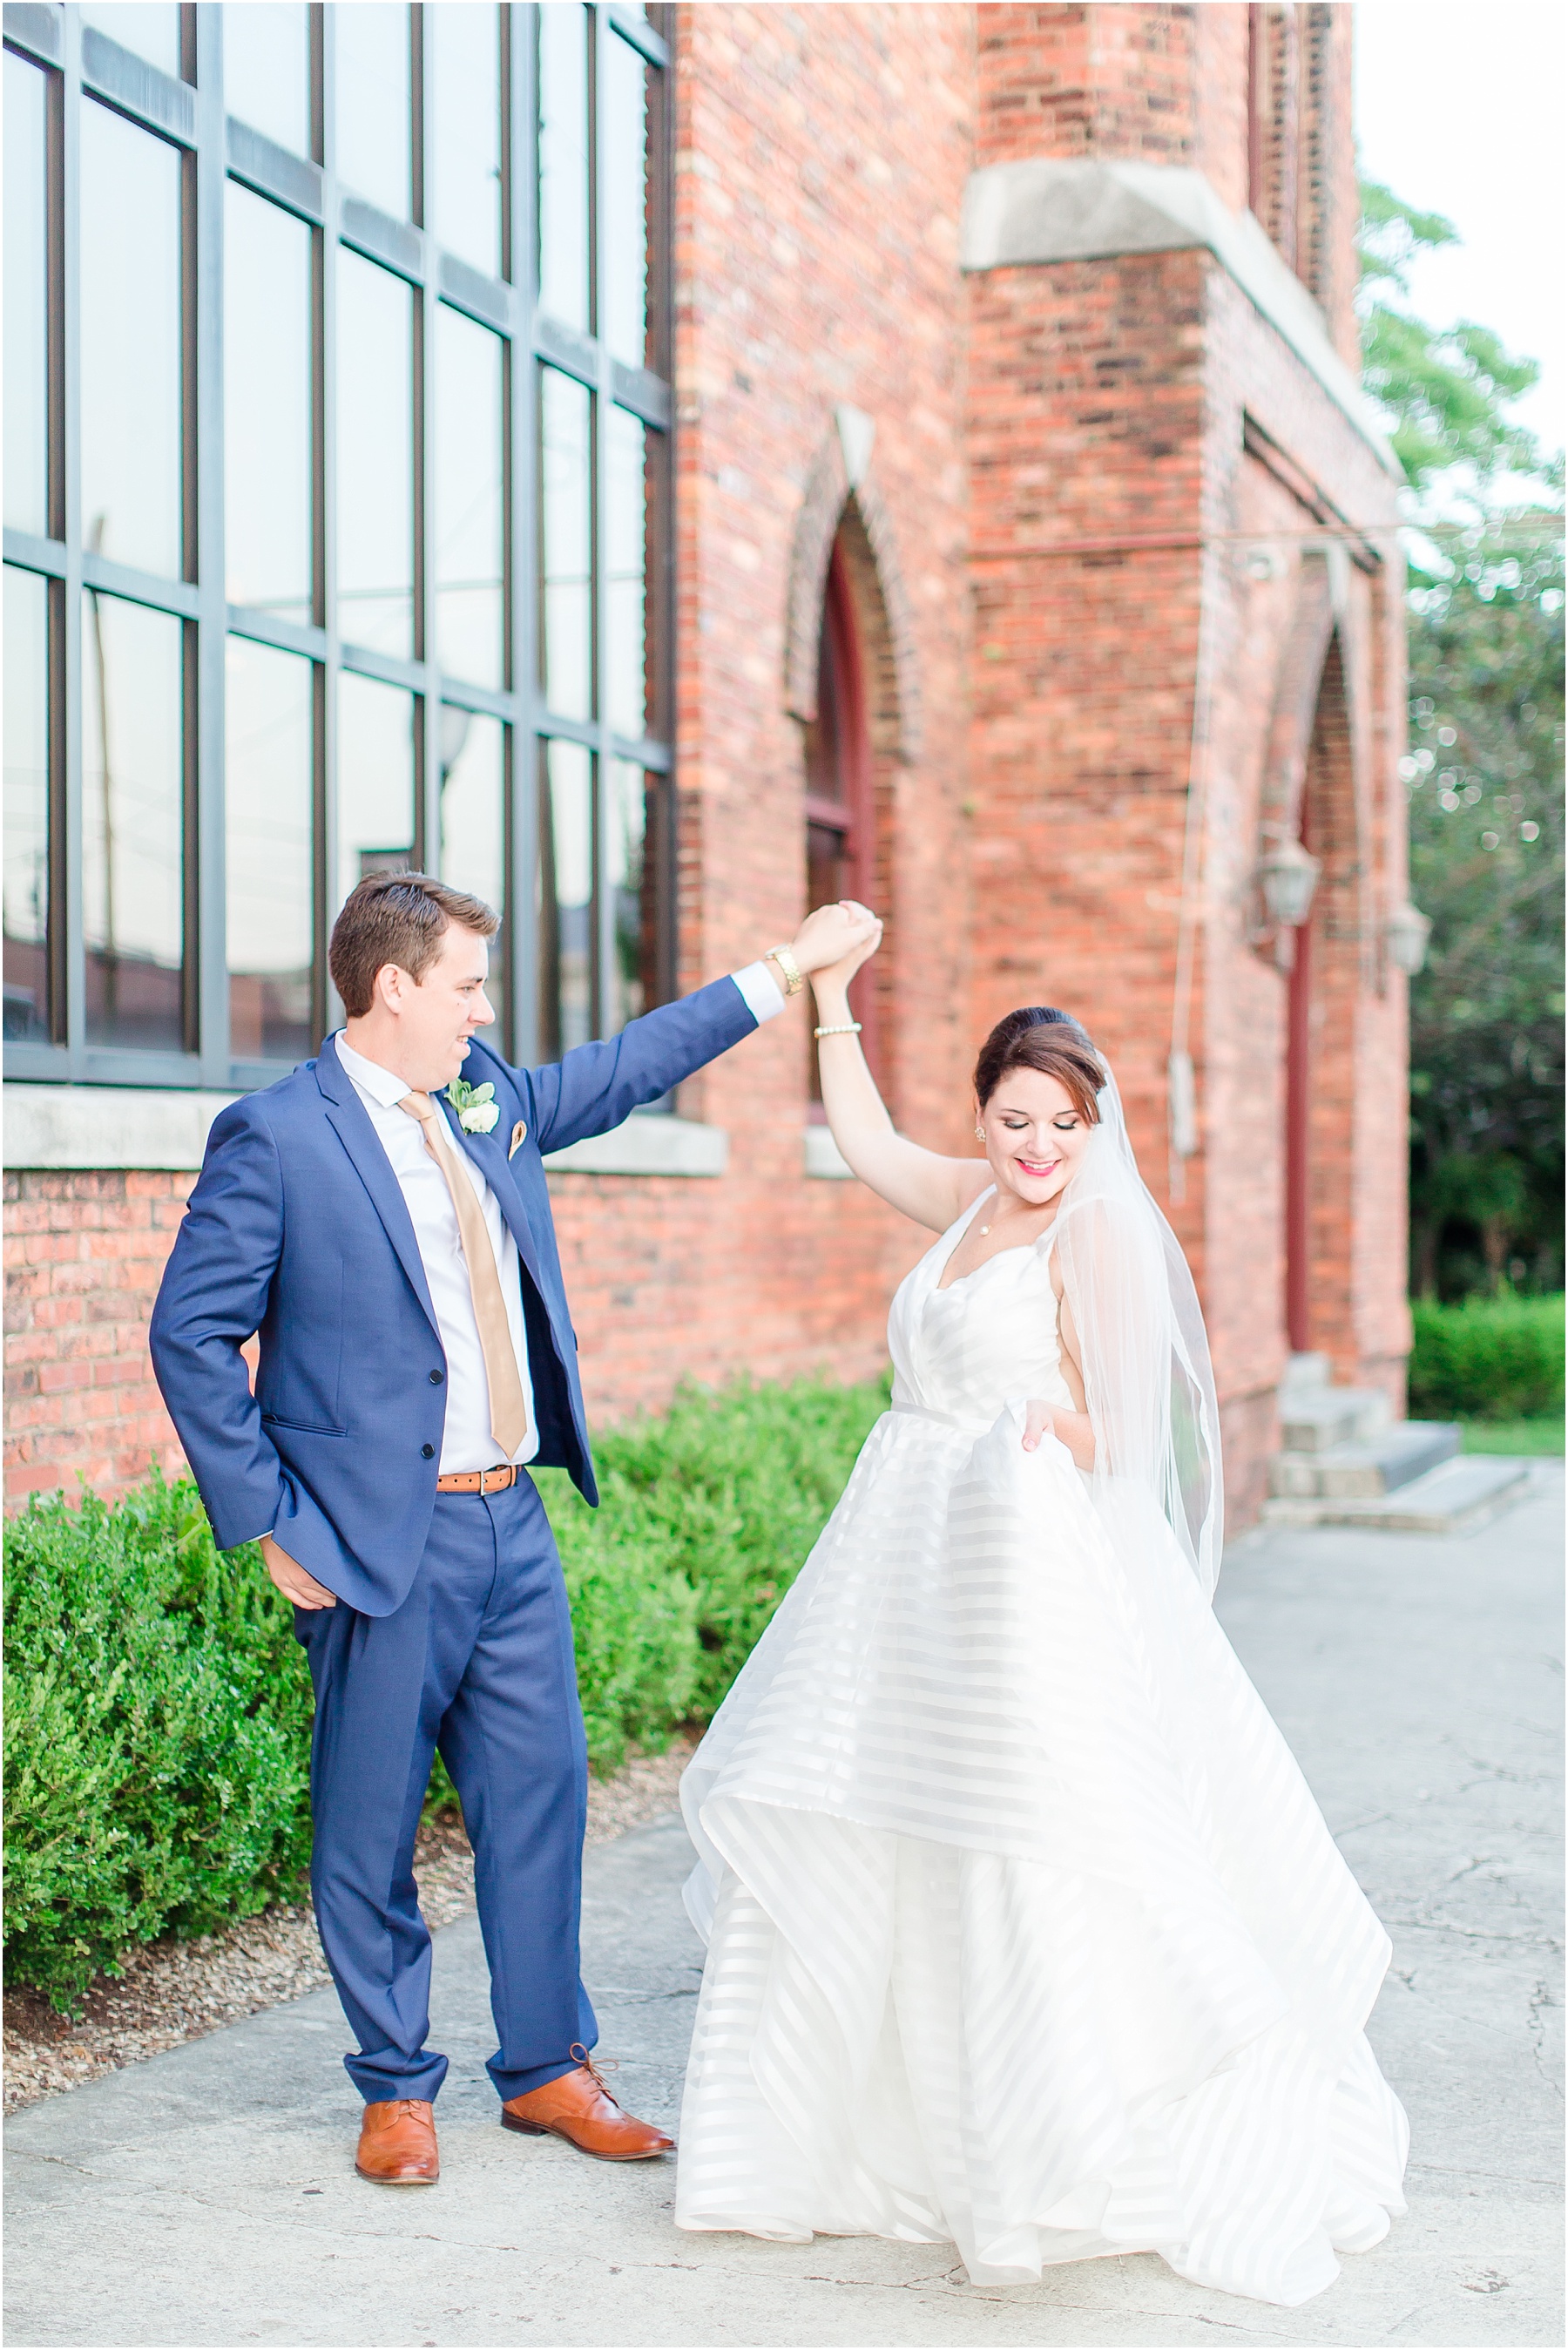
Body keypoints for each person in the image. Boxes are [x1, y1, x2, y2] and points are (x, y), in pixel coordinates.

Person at [675, 911, 1409, 2308]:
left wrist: (1036, 1426)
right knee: (856, 1808)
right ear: (989, 1115)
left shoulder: (1093, 1231)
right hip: (898, 1551)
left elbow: (1122, 1433)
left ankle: (1033, 2137)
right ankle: (816, 2137)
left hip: (1008, 1550)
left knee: (1007, 1826)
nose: (1037, 1148)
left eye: (1064, 1124)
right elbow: (869, 1142)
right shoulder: (964, 1197)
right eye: (1017, 1120)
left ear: (1092, 1127)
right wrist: (834, 994)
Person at [150, 871, 876, 2188]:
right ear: (395, 988)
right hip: (378, 1542)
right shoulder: (278, 1135)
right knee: (367, 1828)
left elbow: (633, 1062)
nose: (486, 1010)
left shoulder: (486, 1100)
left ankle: (545, 2067)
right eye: (469, 985)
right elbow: (189, 1333)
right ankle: (394, 2086)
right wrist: (267, 1522)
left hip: (512, 1527)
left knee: (539, 1800)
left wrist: (786, 966)